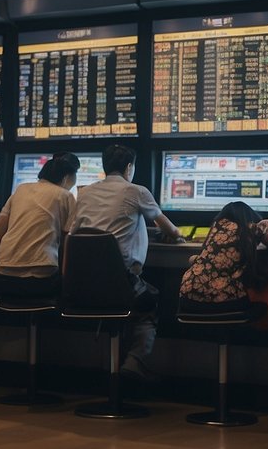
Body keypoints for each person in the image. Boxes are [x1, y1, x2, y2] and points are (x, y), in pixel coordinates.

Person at [72, 143, 185, 381]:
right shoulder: (136, 191)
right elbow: (170, 229)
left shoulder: (84, 193)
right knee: (150, 302)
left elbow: (73, 233)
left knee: (127, 303)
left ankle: (113, 371)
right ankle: (134, 364)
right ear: (129, 167)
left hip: (82, 286)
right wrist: (177, 234)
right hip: (121, 284)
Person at [0, 153, 78, 298]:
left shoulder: (20, 190)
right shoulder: (66, 196)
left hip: (3, 279)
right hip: (41, 282)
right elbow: (68, 243)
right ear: (66, 178)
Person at [179, 201, 268, 316]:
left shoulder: (216, 229)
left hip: (186, 300)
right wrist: (267, 227)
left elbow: (194, 260)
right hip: (219, 301)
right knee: (262, 308)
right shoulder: (249, 228)